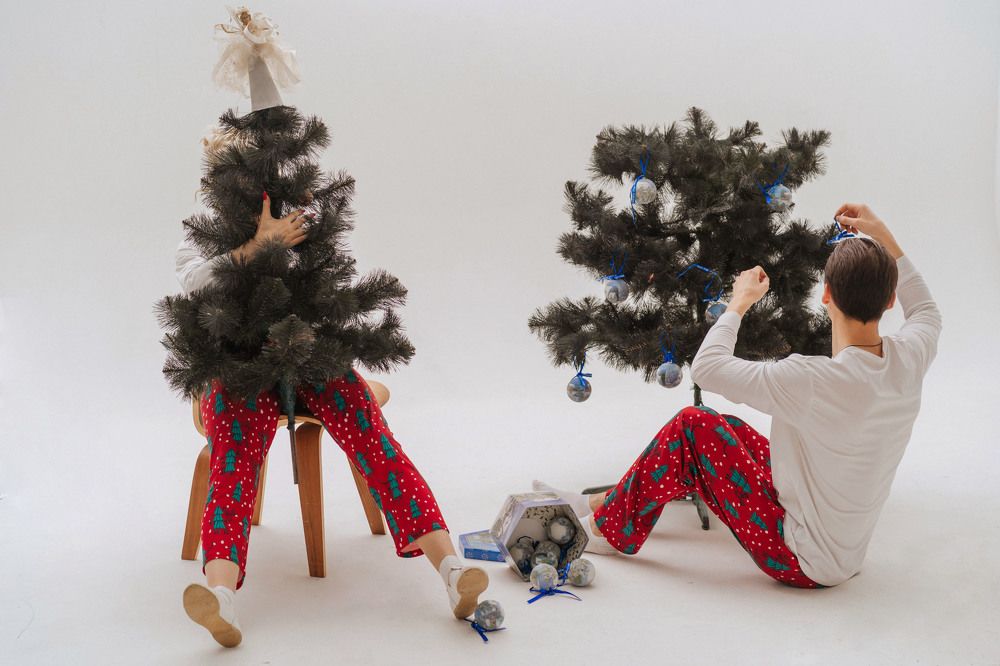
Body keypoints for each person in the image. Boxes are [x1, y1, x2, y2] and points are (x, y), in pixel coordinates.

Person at [536, 203, 940, 588]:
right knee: (726, 427)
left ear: (826, 295)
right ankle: (600, 504)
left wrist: (739, 301)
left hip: (801, 560)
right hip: (845, 553)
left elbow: (707, 368)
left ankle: (604, 531)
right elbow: (925, 309)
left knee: (692, 426)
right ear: (890, 299)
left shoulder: (811, 378)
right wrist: (882, 233)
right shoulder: (910, 356)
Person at [179, 194, 489, 647]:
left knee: (375, 443)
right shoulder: (207, 221)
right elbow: (193, 285)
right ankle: (220, 597)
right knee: (234, 461)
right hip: (238, 367)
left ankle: (452, 571)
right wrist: (258, 245)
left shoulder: (299, 205)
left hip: (311, 355)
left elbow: (327, 281)